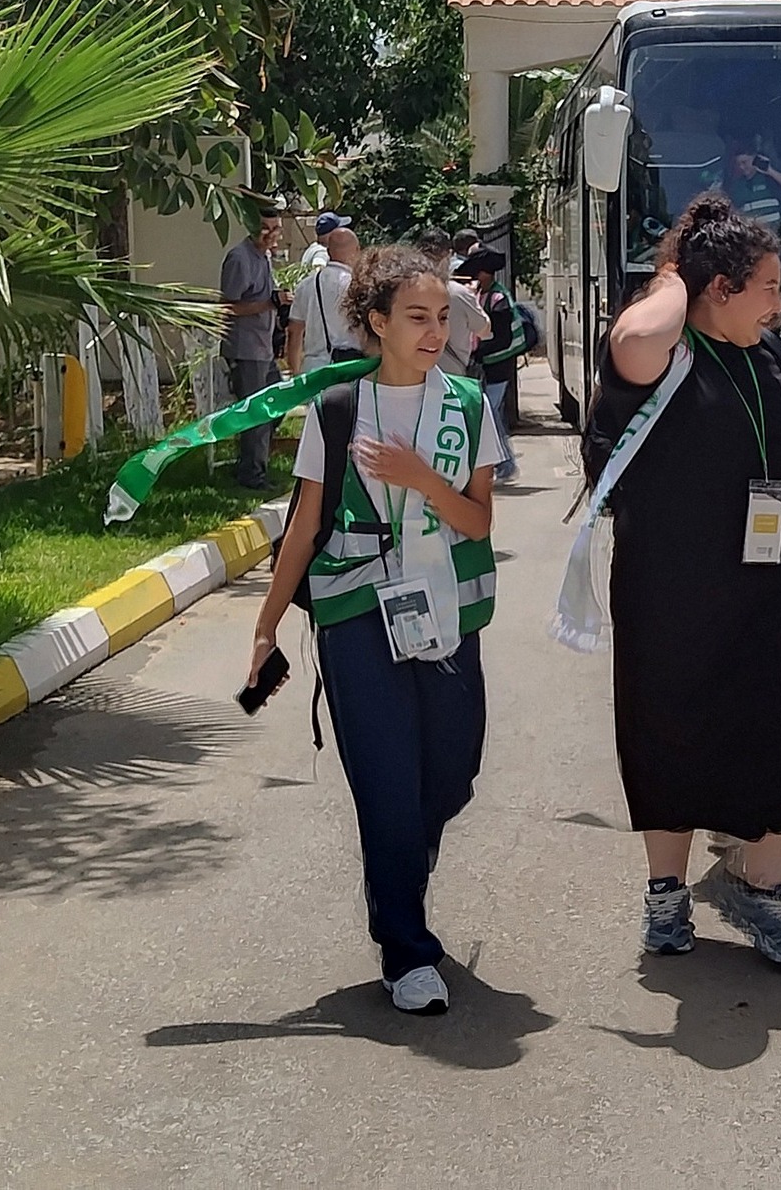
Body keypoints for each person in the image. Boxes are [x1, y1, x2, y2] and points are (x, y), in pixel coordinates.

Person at [247, 244, 506, 1015]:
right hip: (358, 615)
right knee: (387, 786)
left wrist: (421, 478)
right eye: (417, 318)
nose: (434, 332)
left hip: (444, 613)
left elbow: (477, 518)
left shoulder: (466, 405)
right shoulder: (337, 409)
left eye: (441, 317)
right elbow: (301, 529)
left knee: (448, 776)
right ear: (376, 322)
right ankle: (406, 948)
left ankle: (401, 875)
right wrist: (265, 627)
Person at [584, 192, 781, 970]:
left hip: (768, 586)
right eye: (765, 285)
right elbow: (633, 332)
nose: (778, 302)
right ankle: (667, 894)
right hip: (670, 592)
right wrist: (671, 274)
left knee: (778, 731)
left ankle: (767, 894)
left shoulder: (771, 354)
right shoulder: (660, 352)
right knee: (669, 732)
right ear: (716, 289)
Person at [219, 205, 290, 490]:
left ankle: (250, 459)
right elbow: (227, 307)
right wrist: (269, 304)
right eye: (265, 228)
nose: (271, 235)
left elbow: (265, 298)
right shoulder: (240, 258)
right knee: (258, 413)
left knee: (278, 405)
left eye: (275, 229)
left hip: (264, 348)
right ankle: (252, 475)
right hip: (245, 350)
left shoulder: (265, 257)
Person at [456, 247, 526, 483]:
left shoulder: (498, 299)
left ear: (487, 274)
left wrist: (479, 351)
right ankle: (504, 463)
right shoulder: (484, 295)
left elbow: (502, 338)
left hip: (499, 365)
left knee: (492, 414)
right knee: (492, 413)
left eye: (478, 274)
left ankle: (506, 464)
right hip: (488, 364)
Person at [286, 216, 361, 374]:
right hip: (350, 368)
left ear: (328, 252)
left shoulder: (306, 285)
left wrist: (295, 372)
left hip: (314, 369)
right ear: (357, 250)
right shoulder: (357, 286)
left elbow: (294, 332)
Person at [418, 226, 492, 377]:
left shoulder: (403, 291)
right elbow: (485, 329)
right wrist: (472, 297)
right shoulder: (458, 293)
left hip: (414, 376)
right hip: (452, 377)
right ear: (447, 255)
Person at [721, 140, 781, 233]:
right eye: (739, 164)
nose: (741, 167)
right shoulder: (737, 186)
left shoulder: (770, 179)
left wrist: (769, 171)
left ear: (755, 158)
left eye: (744, 162)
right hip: (754, 237)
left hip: (777, 234)